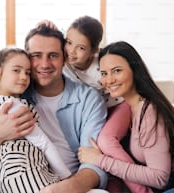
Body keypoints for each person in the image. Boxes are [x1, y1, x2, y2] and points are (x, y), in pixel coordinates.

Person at [78, 41, 174, 193]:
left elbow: (159, 178)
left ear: (134, 71)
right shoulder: (127, 111)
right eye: (104, 73)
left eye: (117, 71)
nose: (109, 80)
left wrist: (99, 160)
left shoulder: (149, 110)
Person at [0, 25, 109, 193]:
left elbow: (94, 163)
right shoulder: (15, 93)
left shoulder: (88, 99)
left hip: (69, 183)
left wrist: (63, 188)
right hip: (20, 182)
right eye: (36, 56)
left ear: (65, 59)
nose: (45, 64)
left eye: (53, 55)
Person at [40, 16, 151, 193]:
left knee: (106, 141)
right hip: (97, 110)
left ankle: (143, 190)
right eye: (69, 42)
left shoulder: (100, 66)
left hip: (118, 106)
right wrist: (45, 29)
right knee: (102, 152)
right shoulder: (65, 60)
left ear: (93, 52)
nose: (71, 51)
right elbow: (42, 54)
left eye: (81, 48)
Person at [0, 47, 71, 193]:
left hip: (10, 177)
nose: (24, 77)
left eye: (27, 72)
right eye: (16, 70)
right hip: (26, 174)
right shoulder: (13, 107)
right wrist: (68, 179)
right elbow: (44, 144)